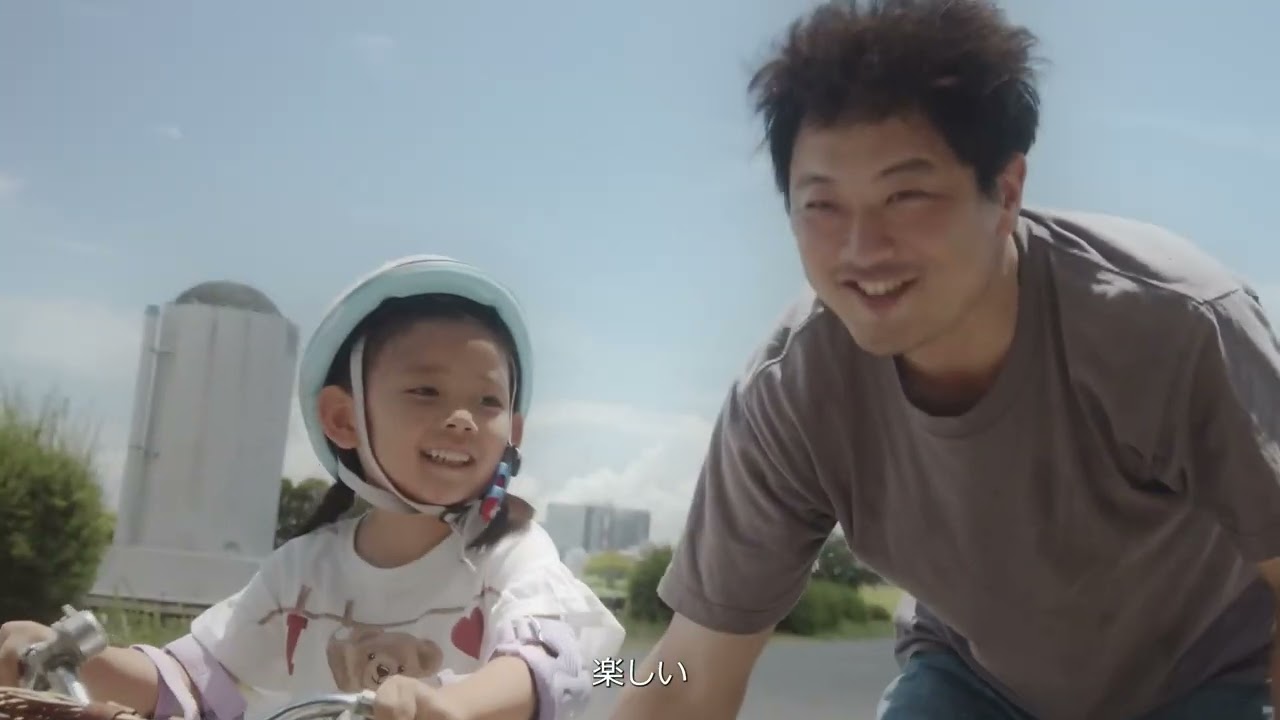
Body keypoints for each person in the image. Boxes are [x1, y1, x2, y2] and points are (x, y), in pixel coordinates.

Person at [608, 1, 1280, 719]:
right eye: (822, 205)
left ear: (1007, 191)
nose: (862, 249)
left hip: (1200, 679)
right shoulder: (790, 394)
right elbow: (692, 666)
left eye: (907, 195)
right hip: (975, 684)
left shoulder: (1174, 324)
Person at [1, 255, 625, 720]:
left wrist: (456, 706)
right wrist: (75, 660)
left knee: (625, 670)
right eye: (426, 390)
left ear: (513, 431)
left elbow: (555, 659)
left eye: (487, 401)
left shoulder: (513, 556)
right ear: (343, 418)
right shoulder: (299, 574)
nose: (462, 418)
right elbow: (195, 684)